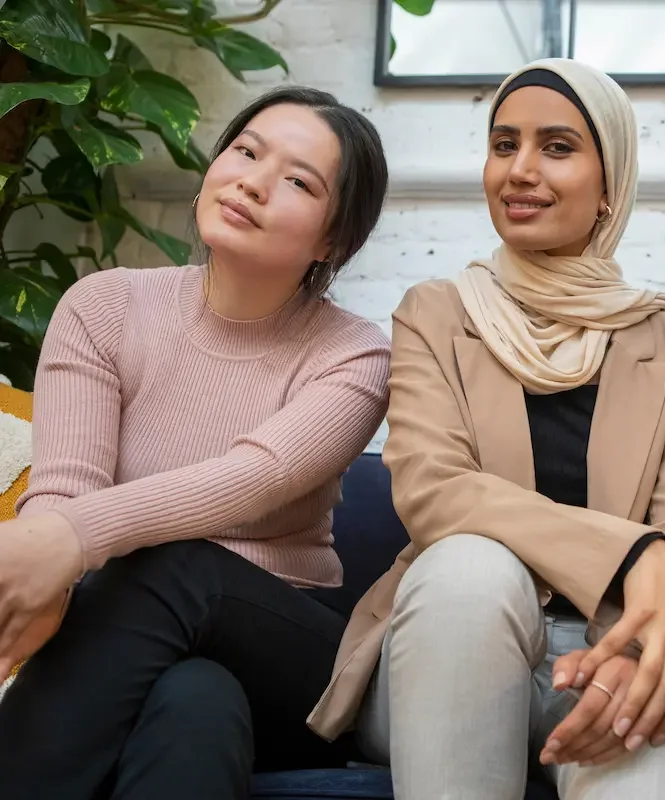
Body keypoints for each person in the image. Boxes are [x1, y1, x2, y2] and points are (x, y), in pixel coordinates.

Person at [306, 58, 665, 800]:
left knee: (644, 765)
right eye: (504, 145)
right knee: (472, 563)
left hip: (611, 649)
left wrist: (639, 655)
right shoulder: (436, 313)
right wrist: (631, 552)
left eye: (557, 148)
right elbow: (435, 491)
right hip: (450, 646)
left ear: (610, 185)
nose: (520, 170)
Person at [0, 86, 391, 799]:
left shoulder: (355, 356)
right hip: (140, 648)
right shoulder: (105, 307)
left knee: (178, 564)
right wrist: (51, 566)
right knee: (195, 703)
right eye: (245, 151)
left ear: (335, 239)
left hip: (290, 659)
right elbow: (64, 490)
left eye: (299, 181)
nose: (253, 181)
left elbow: (253, 479)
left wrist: (63, 546)